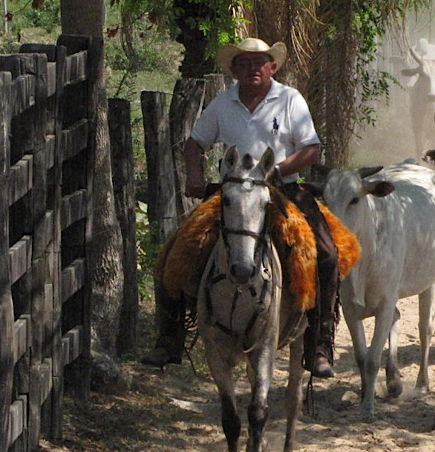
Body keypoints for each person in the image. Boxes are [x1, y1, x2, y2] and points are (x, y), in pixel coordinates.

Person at [140, 37, 340, 378]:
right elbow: (194, 143)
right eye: (243, 64)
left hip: (283, 189)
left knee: (325, 253)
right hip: (231, 192)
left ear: (272, 66)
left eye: (258, 62)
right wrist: (193, 175)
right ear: (233, 70)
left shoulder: (290, 99)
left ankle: (319, 344)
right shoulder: (223, 103)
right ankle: (170, 338)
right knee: (176, 251)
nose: (251, 69)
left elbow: (311, 150)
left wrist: (277, 171)